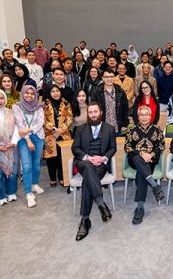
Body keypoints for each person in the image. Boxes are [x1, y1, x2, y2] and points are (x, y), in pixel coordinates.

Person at [72, 102, 116, 241]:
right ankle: (101, 204)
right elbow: (75, 148)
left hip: (100, 165)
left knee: (87, 182)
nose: (93, 115)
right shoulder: (80, 129)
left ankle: (85, 220)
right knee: (88, 166)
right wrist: (88, 158)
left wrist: (103, 158)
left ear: (100, 113)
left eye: (95, 112)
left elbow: (112, 148)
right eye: (90, 112)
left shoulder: (110, 128)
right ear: (88, 114)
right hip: (84, 162)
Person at [124, 106, 166, 225]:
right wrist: (141, 153)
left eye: (146, 114)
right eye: (141, 115)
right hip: (135, 160)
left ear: (150, 116)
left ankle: (140, 208)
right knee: (137, 158)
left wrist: (151, 154)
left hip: (150, 161)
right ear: (138, 117)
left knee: (141, 175)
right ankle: (154, 186)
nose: (143, 117)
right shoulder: (132, 130)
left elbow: (161, 146)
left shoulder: (157, 130)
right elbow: (127, 146)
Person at [12, 85, 46, 208]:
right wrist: (27, 139)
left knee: (36, 162)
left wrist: (29, 130)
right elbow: (19, 124)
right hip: (23, 139)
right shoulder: (16, 107)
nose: (29, 95)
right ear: (23, 93)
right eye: (27, 93)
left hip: (38, 136)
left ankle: (35, 184)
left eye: (32, 93)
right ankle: (28, 193)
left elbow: (40, 122)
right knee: (26, 165)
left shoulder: (39, 106)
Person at [43, 85, 73, 187]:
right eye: (53, 91)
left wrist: (61, 129)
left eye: (57, 91)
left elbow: (69, 117)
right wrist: (53, 129)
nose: (56, 93)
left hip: (63, 135)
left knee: (62, 157)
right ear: (49, 93)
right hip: (50, 135)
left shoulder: (66, 103)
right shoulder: (45, 104)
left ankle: (62, 177)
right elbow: (43, 119)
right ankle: (52, 178)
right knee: (51, 159)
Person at [90, 69, 129, 133]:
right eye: (106, 77)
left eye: (111, 77)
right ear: (102, 78)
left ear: (114, 78)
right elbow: (93, 110)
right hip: (102, 128)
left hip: (117, 128)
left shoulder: (120, 92)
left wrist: (124, 124)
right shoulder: (97, 92)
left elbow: (125, 109)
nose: (109, 79)